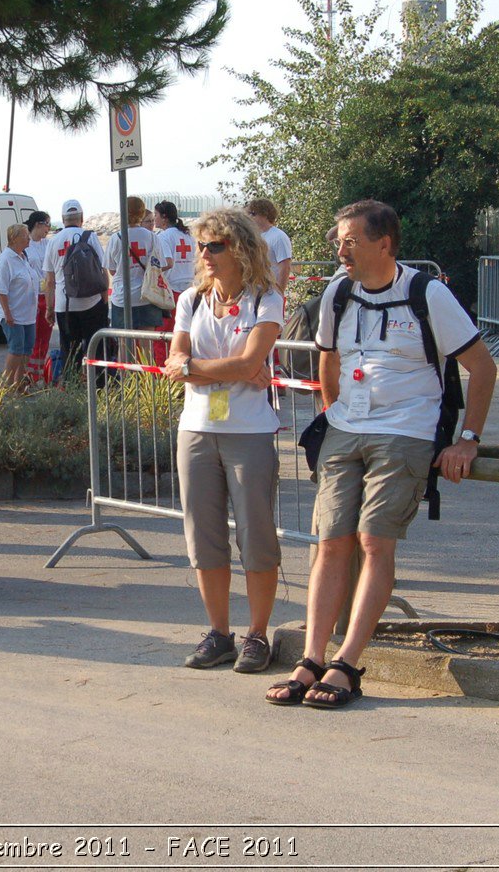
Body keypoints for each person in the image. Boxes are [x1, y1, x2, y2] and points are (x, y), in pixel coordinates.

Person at [266, 199, 495, 709]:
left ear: (383, 244)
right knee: (331, 541)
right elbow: (328, 360)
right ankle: (311, 658)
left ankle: (346, 664)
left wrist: (467, 439)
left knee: (374, 541)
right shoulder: (337, 294)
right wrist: (333, 416)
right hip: (347, 427)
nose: (339, 250)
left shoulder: (426, 293)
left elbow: (483, 367)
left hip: (406, 431)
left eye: (350, 241)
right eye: (338, 240)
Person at [160, 209, 284, 673]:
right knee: (204, 537)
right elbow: (179, 354)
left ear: (241, 248)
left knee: (256, 536)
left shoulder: (265, 298)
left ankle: (257, 634)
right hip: (196, 428)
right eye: (201, 246)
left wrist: (193, 368)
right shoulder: (191, 299)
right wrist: (228, 367)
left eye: (216, 246)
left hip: (248, 430)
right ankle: (219, 633)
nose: (206, 255)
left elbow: (250, 361)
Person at [41, 198, 109, 381]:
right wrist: (104, 299)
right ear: (82, 218)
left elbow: (50, 281)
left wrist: (49, 308)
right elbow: (102, 270)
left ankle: (71, 387)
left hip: (65, 305)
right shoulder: (91, 237)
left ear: (63, 219)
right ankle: (99, 386)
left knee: (69, 350)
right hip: (92, 301)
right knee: (96, 347)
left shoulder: (53, 242)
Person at [106, 194, 161, 334]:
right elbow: (159, 265)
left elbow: (112, 270)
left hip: (122, 296)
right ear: (142, 213)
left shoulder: (115, 238)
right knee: (146, 346)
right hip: (147, 295)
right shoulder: (152, 237)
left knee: (124, 344)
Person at [0, 223, 37, 391]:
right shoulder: (6, 260)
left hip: (28, 314)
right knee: (16, 349)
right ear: (14, 238)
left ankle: (18, 385)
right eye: (25, 235)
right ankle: (4, 388)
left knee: (27, 350)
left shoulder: (23, 256)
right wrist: (7, 313)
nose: (29, 238)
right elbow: (1, 290)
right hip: (13, 314)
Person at [151, 200, 194, 364]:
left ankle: (163, 376)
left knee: (162, 336)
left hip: (171, 291)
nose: (154, 219)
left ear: (164, 217)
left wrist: (151, 272)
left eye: (155, 215)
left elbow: (168, 262)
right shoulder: (187, 235)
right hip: (189, 289)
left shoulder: (163, 237)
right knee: (183, 335)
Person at [24, 210, 54, 375]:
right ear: (38, 224)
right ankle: (29, 374)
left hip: (47, 294)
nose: (48, 228)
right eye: (47, 224)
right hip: (32, 296)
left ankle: (40, 371)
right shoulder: (26, 244)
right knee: (33, 338)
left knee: (45, 337)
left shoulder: (47, 244)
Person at [246, 198, 293, 292]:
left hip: (271, 292)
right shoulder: (254, 237)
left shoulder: (279, 237)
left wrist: (279, 292)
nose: (250, 217)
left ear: (265, 214)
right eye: (249, 214)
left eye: (253, 214)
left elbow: (285, 267)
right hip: (254, 292)